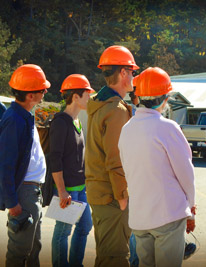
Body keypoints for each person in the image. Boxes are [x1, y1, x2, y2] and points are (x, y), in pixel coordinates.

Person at [118, 67, 196, 267]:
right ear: (165, 98)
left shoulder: (127, 129)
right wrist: (191, 206)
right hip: (167, 214)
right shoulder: (167, 127)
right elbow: (186, 173)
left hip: (140, 218)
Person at [85, 45, 138, 266]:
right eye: (132, 71)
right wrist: (123, 197)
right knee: (115, 259)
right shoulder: (115, 110)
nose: (134, 76)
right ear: (123, 73)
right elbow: (115, 159)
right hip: (112, 197)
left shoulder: (100, 104)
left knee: (106, 256)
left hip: (101, 193)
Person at [0, 64, 50, 266]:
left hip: (31, 192)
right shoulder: (15, 120)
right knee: (19, 252)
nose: (45, 91)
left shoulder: (23, 117)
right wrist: (12, 202)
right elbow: (6, 164)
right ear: (30, 95)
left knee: (32, 250)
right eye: (42, 89)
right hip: (24, 193)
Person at [49, 74, 94, 266]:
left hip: (80, 188)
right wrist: (61, 190)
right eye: (87, 94)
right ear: (75, 96)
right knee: (63, 231)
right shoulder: (60, 122)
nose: (90, 98)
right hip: (66, 190)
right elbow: (55, 159)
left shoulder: (77, 122)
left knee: (85, 225)